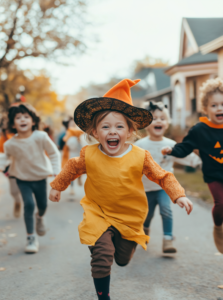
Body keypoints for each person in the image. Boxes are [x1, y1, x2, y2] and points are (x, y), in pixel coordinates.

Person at [49, 79, 193, 300]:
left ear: (130, 131)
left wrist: (178, 194)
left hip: (129, 216)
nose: (112, 132)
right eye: (105, 127)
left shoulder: (140, 156)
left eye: (119, 126)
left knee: (122, 259)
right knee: (102, 255)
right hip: (98, 213)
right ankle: (103, 294)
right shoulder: (90, 154)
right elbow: (71, 167)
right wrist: (58, 186)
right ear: (95, 132)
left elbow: (162, 176)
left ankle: (125, 244)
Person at [162, 77, 223, 254]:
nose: (219, 108)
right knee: (220, 204)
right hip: (213, 175)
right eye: (214, 105)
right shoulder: (199, 130)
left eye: (222, 104)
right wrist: (171, 150)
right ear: (205, 108)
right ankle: (218, 227)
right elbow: (185, 147)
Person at [135, 101, 201, 253]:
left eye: (162, 118)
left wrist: (201, 162)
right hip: (145, 188)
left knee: (166, 210)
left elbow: (187, 156)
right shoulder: (140, 145)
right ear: (146, 124)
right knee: (148, 214)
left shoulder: (171, 145)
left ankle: (168, 239)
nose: (158, 121)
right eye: (154, 118)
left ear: (166, 123)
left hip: (164, 188)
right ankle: (145, 229)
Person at [3, 103, 60, 254]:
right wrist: (1, 165)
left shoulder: (41, 136)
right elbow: (4, 159)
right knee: (28, 204)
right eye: (18, 117)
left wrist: (56, 172)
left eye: (26, 117)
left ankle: (40, 217)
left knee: (42, 205)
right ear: (13, 124)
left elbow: (54, 153)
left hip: (40, 177)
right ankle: (31, 238)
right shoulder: (10, 144)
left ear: (33, 121)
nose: (22, 120)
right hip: (22, 178)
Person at [0, 114, 22, 218]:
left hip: (25, 165)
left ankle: (29, 205)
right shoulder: (4, 137)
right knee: (14, 191)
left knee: (25, 188)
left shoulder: (22, 133)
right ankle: (18, 202)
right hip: (10, 167)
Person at [61, 117, 84, 194]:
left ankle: (79, 177)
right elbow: (62, 140)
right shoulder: (66, 133)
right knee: (71, 172)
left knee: (79, 169)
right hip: (70, 154)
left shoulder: (79, 132)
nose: (72, 125)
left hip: (78, 153)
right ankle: (72, 188)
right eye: (70, 123)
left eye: (73, 123)